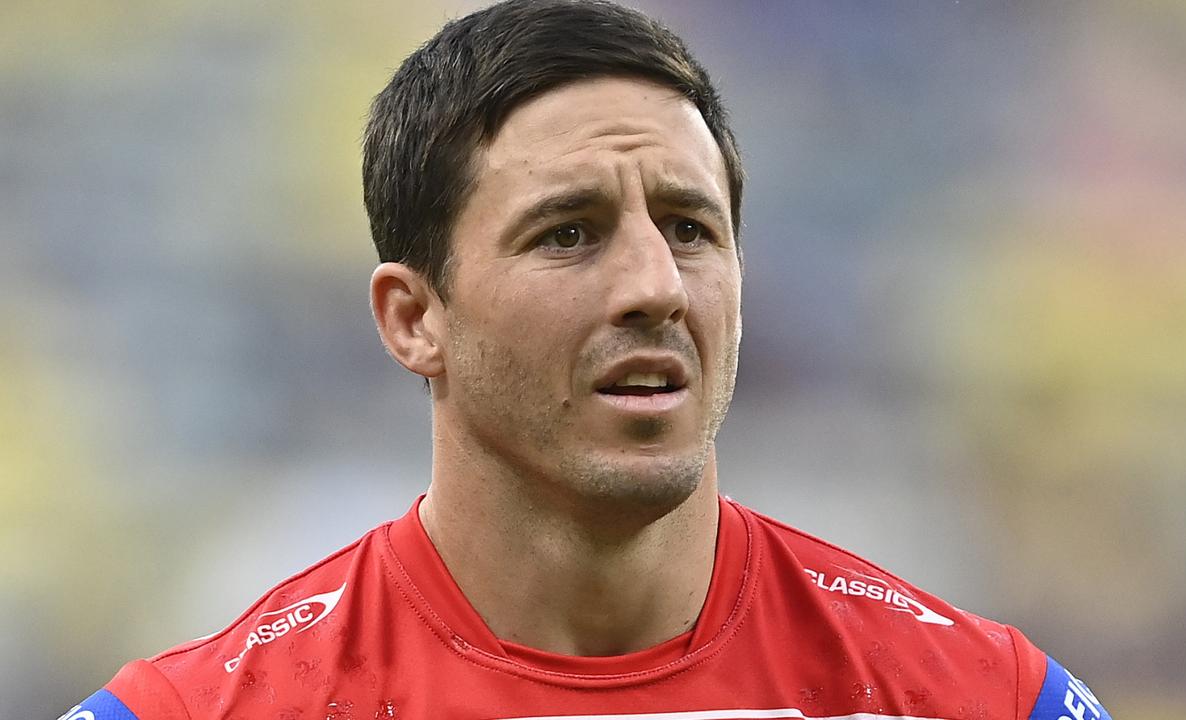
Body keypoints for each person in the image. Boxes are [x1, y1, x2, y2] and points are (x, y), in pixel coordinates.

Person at [65, 1, 1112, 718]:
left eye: (691, 228)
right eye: (568, 232)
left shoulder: (973, 695)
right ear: (410, 318)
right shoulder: (219, 707)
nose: (654, 285)